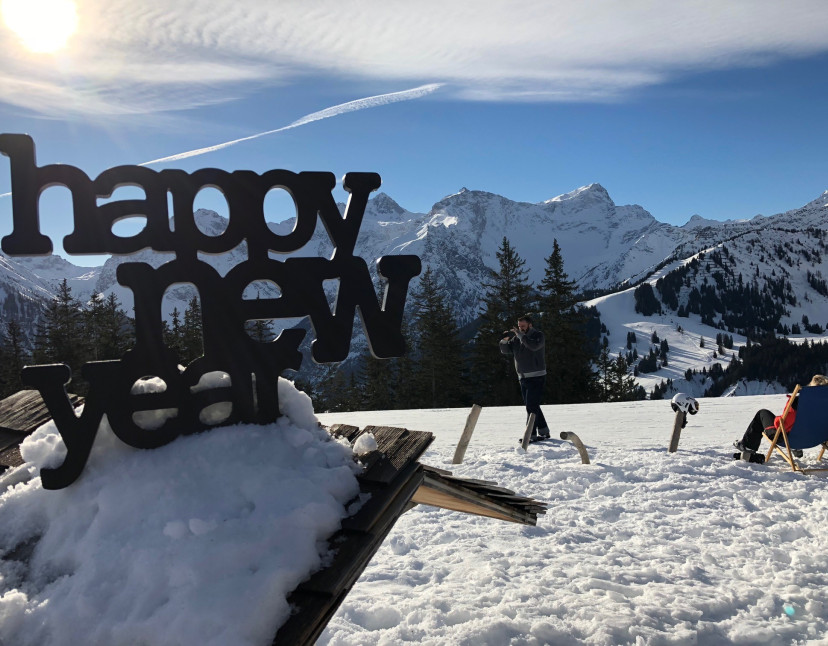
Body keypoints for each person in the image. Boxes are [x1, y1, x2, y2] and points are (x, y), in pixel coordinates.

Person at [733, 374, 828, 460]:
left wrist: (777, 419)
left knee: (762, 413)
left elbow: (784, 424)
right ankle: (796, 448)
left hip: (791, 439)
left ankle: (747, 447)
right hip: (815, 439)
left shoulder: (798, 403)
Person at [499, 314, 550, 440]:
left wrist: (521, 336)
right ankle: (544, 431)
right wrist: (504, 340)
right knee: (532, 405)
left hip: (537, 376)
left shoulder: (538, 335)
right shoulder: (517, 339)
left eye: (523, 326)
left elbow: (533, 346)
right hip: (523, 377)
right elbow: (506, 350)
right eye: (519, 326)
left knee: (531, 406)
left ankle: (530, 435)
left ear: (530, 325)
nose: (520, 328)